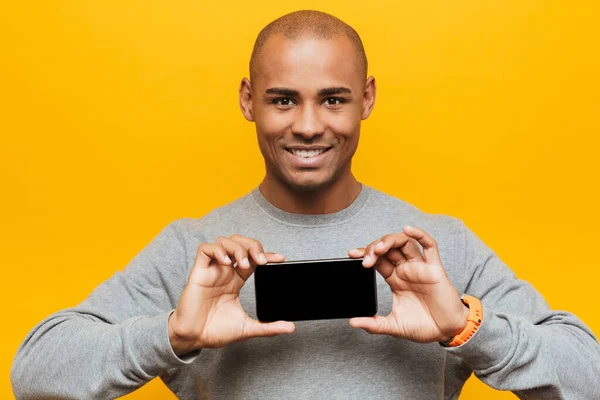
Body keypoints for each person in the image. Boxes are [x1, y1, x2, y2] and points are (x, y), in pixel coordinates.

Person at [10, 10, 600, 400]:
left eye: (334, 99)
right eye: (284, 100)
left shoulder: (437, 249)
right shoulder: (196, 254)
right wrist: (172, 335)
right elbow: (33, 372)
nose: (310, 126)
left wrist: (466, 327)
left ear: (366, 99)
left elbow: (588, 372)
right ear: (248, 101)